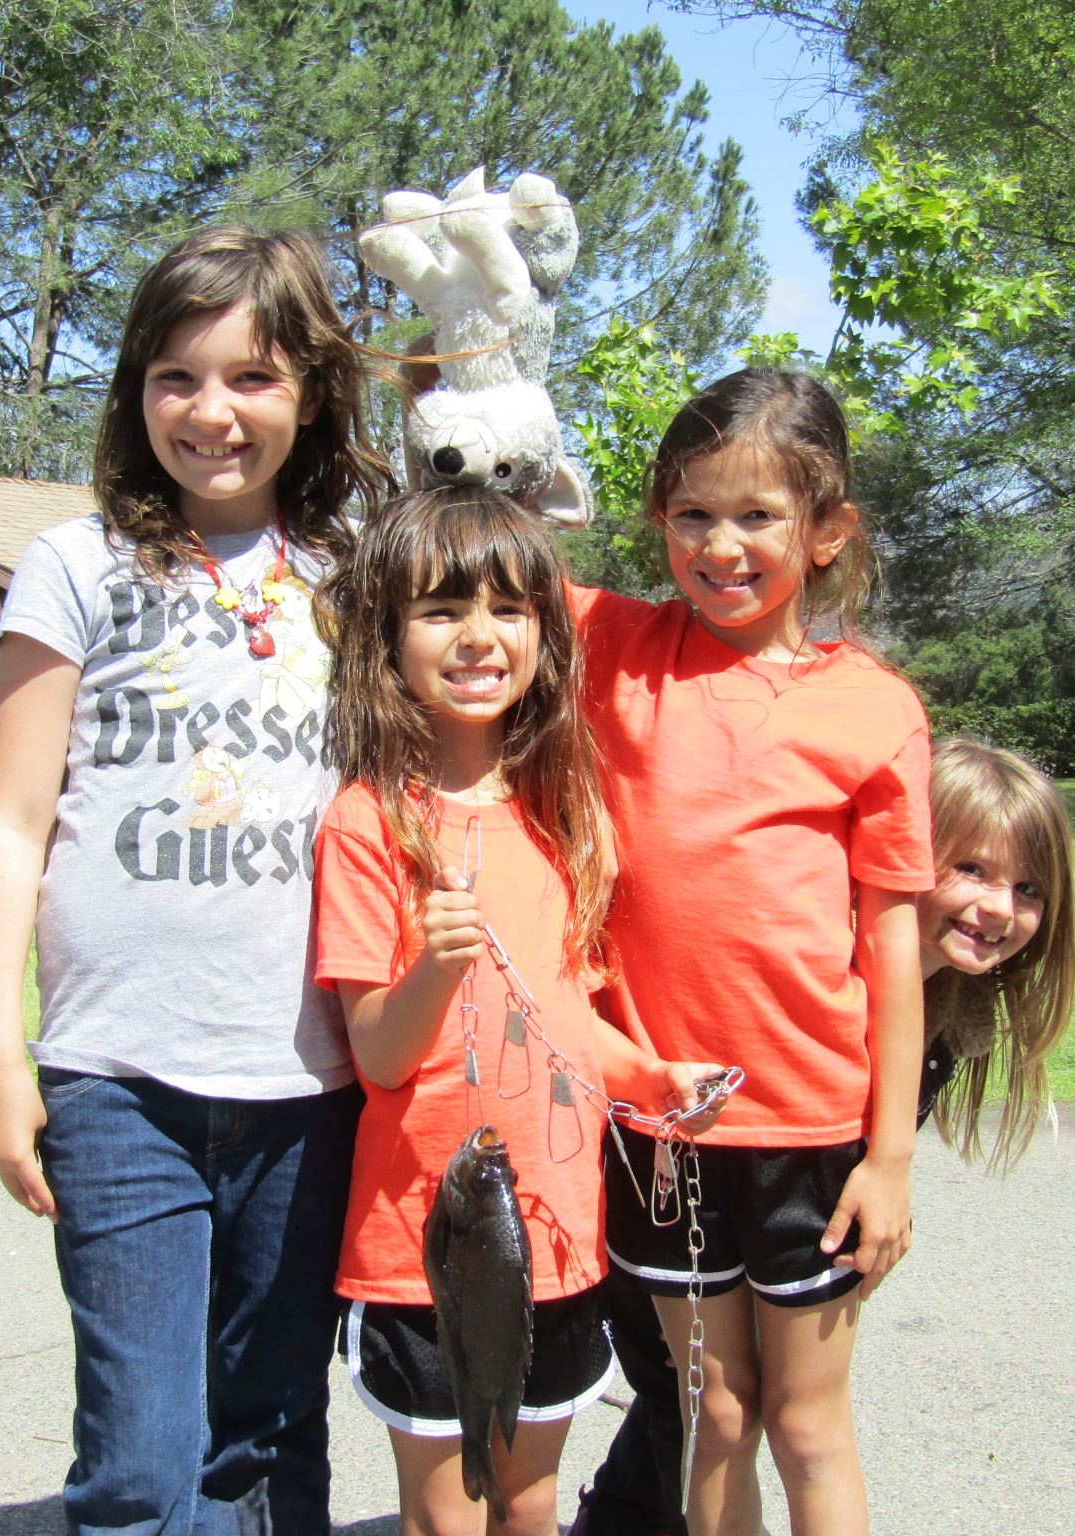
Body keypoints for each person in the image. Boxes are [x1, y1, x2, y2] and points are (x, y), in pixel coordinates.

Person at [0, 225, 394, 1536]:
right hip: (116, 1082)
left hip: (309, 1080)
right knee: (143, 1463)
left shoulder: (359, 570)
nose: (212, 411)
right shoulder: (74, 564)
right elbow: (11, 821)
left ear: (313, 391)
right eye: (175, 377)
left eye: (253, 377)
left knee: (267, 1443)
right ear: (135, 393)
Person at [310, 485, 724, 1536]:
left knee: (528, 1502)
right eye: (440, 610)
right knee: (446, 1514)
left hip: (557, 1239)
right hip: (423, 1249)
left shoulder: (560, 813)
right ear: (385, 639)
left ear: (545, 630)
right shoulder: (368, 822)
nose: (478, 636)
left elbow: (567, 1025)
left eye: (509, 609)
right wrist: (433, 973)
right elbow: (379, 1057)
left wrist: (655, 1081)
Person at [569, 368, 933, 1536]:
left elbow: (890, 940)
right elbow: (469, 552)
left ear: (828, 532)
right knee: (713, 1408)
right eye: (689, 515)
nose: (718, 547)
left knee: (806, 1422)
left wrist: (890, 1158)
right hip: (658, 1128)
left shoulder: (872, 708)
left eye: (756, 516)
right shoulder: (613, 647)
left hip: (813, 1132)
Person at [575, 737, 1075, 1536]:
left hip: (787, 1206)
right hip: (660, 1186)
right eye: (972, 870)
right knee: (711, 1404)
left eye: (1027, 889)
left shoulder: (960, 1012)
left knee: (781, 1415)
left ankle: (623, 1516)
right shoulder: (804, 971)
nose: (999, 908)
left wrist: (878, 1198)